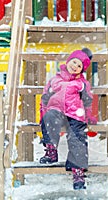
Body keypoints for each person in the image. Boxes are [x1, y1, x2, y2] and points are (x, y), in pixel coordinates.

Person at [39, 48, 94, 190]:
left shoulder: (82, 84)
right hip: (56, 110)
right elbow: (44, 98)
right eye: (74, 62)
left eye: (79, 66)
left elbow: (88, 100)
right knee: (49, 118)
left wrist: (89, 116)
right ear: (69, 61)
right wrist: (42, 115)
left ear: (82, 70)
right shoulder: (55, 80)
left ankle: (78, 171)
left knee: (77, 137)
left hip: (75, 112)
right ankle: (51, 151)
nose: (75, 66)